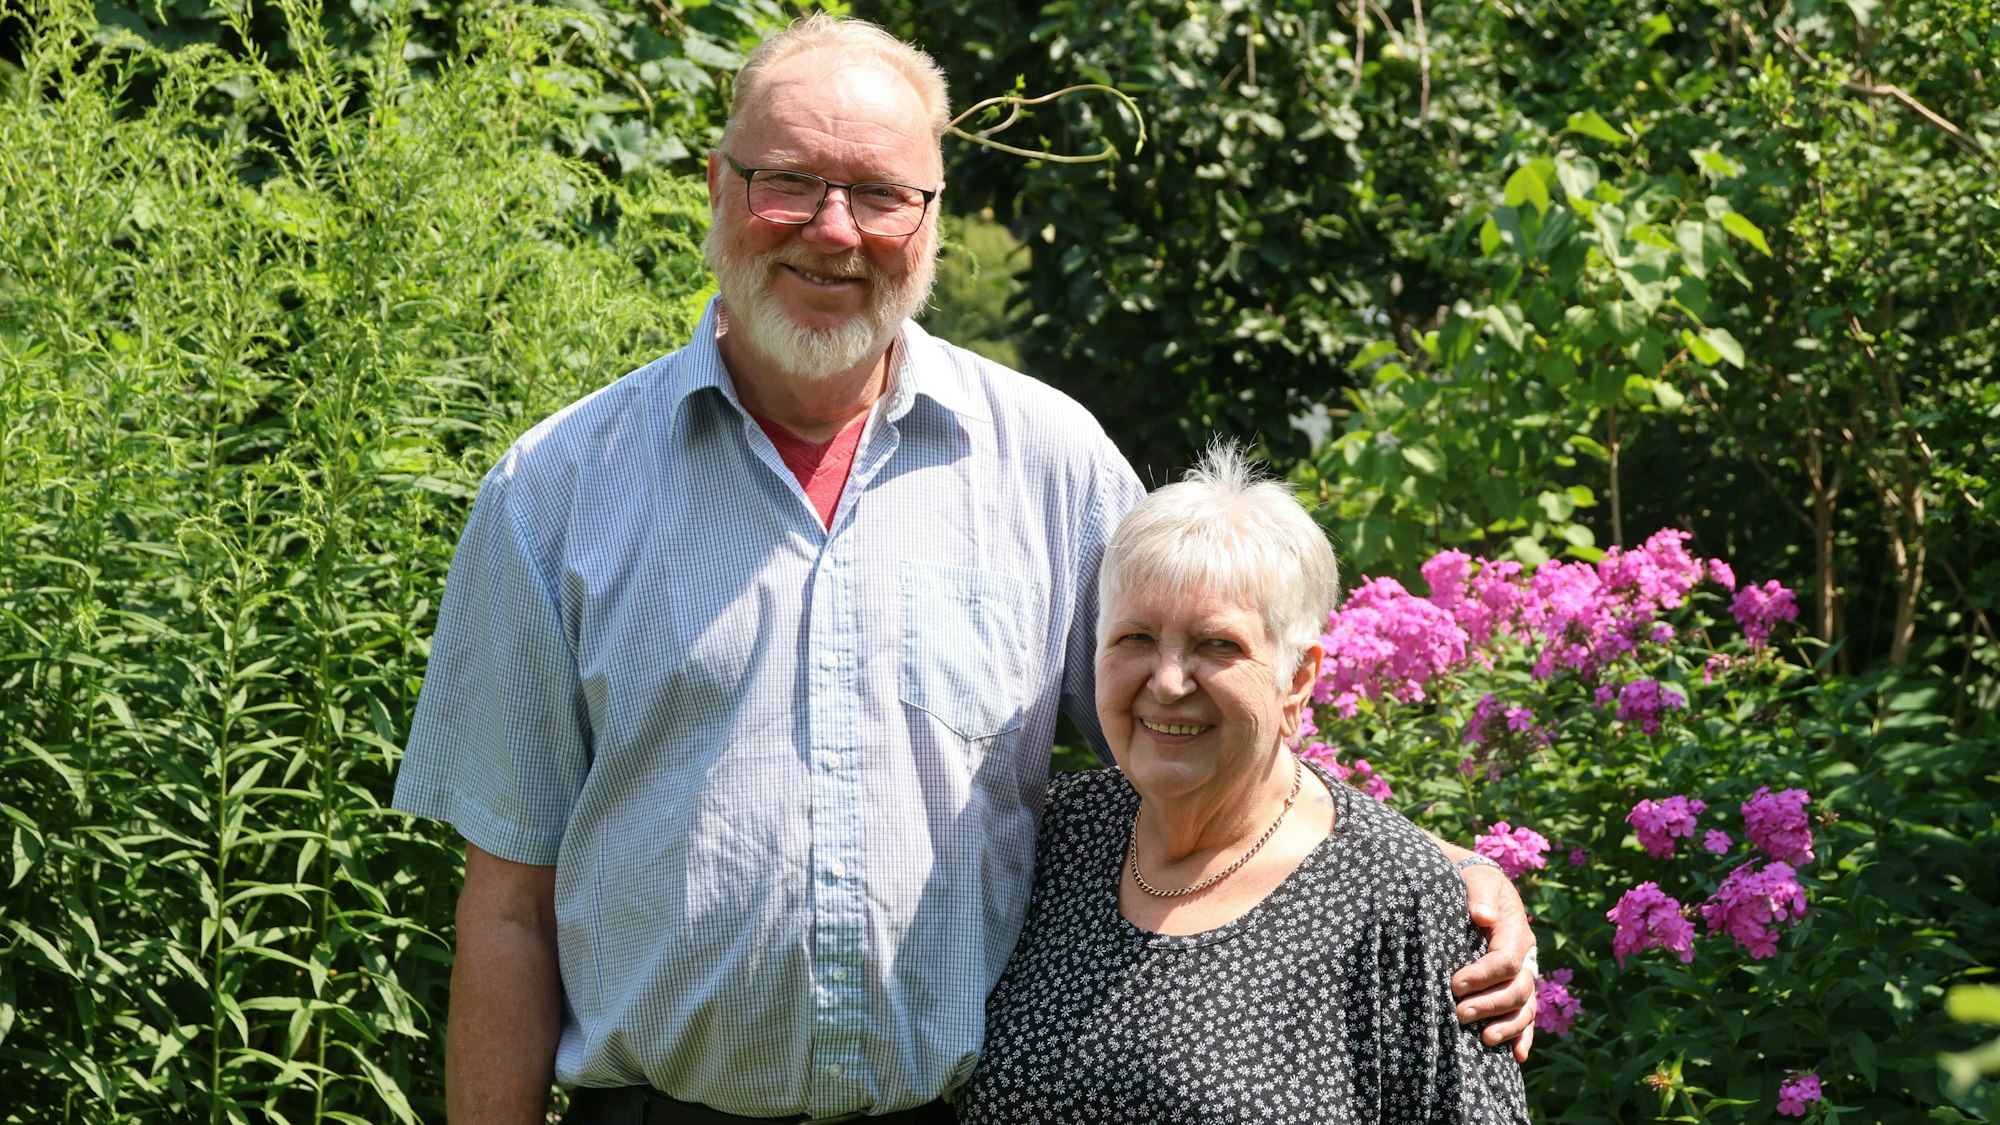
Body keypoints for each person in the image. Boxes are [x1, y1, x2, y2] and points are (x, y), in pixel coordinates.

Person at [392, 15, 1537, 1124]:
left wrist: (1424, 867)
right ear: (717, 186)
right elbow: (509, 911)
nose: (833, 232)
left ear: (930, 217)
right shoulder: (556, 489)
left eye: (882, 195)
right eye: (787, 181)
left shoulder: (1049, 463)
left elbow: (1197, 716)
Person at [957, 444, 1532, 1123]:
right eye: (1135, 637)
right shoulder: (1055, 835)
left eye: (1217, 645)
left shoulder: (1399, 901)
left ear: (1298, 679)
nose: (1168, 682)